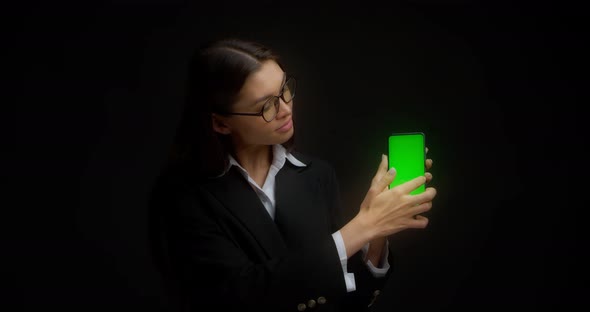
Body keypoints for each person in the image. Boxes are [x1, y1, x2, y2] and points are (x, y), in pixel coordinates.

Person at [148, 37, 437, 312]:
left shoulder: (316, 175)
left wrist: (377, 234)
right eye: (266, 106)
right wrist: (362, 226)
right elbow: (240, 294)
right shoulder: (185, 195)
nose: (286, 109)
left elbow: (350, 300)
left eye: (285, 89)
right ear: (221, 124)